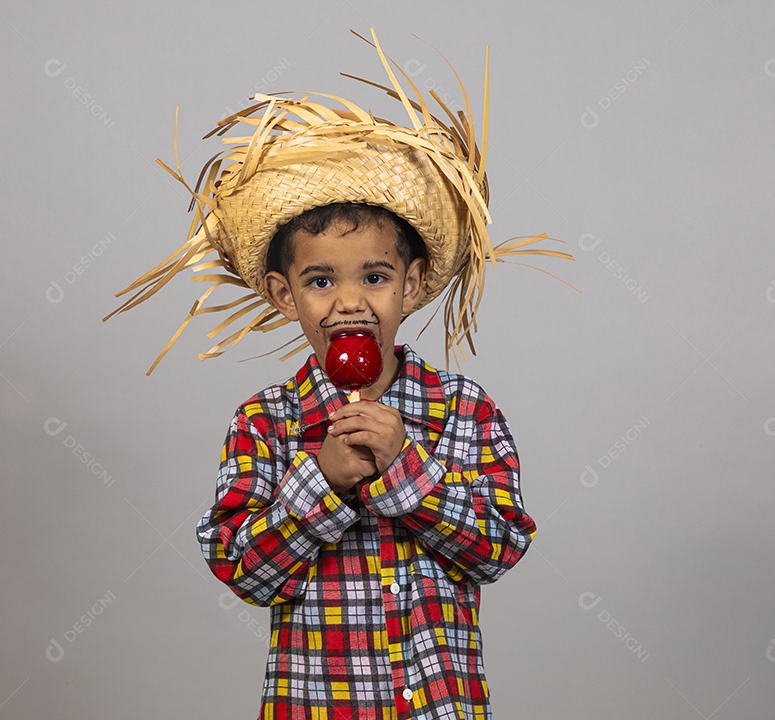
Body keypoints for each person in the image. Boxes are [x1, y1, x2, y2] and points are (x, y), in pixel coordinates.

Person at [103, 28, 574, 720]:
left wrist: (407, 468)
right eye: (320, 279)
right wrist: (318, 480)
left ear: (411, 287)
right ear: (282, 295)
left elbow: (499, 548)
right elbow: (243, 570)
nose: (350, 300)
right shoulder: (264, 422)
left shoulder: (467, 410)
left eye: (375, 276)